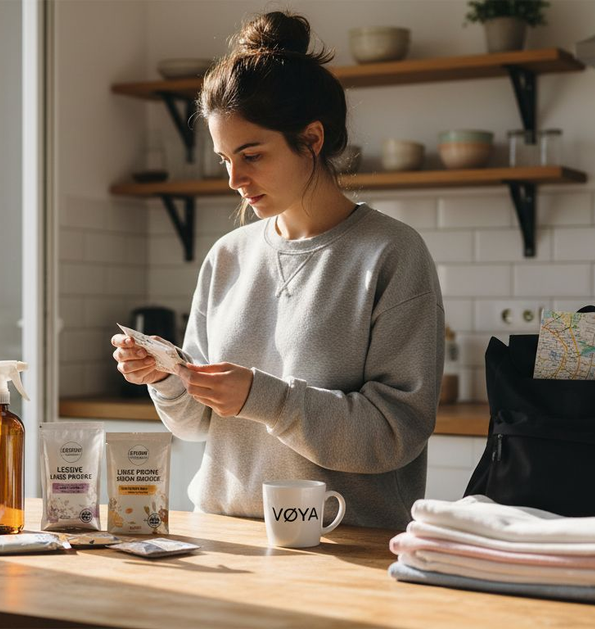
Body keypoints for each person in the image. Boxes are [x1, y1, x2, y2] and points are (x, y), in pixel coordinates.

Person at [110, 10, 443, 529]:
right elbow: (196, 424)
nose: (234, 179)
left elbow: (394, 434)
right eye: (224, 159)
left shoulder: (390, 253)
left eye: (252, 155)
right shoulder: (228, 255)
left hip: (342, 545)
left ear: (311, 139)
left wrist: (265, 399)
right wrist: (167, 375)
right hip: (225, 535)